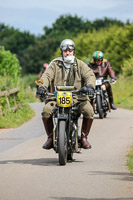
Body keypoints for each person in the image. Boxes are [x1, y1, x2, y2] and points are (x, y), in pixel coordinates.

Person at [36, 39, 96, 150]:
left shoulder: (80, 64)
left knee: (89, 110)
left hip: (77, 97)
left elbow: (90, 75)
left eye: (70, 50)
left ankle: (83, 137)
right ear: (61, 52)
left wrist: (90, 86)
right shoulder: (54, 65)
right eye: (65, 50)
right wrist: (42, 87)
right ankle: (50, 137)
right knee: (46, 111)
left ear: (74, 51)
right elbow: (46, 76)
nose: (67, 53)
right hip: (56, 97)